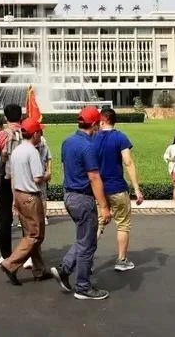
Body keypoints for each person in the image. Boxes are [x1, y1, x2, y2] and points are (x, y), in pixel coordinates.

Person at [51, 106, 112, 301]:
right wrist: (104, 207)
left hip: (69, 195)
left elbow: (63, 167)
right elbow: (94, 177)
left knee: (83, 238)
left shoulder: (67, 142)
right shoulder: (88, 147)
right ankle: (83, 287)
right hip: (82, 198)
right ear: (94, 124)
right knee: (88, 244)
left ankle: (65, 268)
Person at [0, 118, 53, 285]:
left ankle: (39, 270)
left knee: (30, 232)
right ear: (35, 133)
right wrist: (48, 175)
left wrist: (14, 199)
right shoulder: (32, 152)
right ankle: (10, 263)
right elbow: (38, 178)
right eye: (40, 132)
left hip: (19, 194)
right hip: (31, 196)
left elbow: (13, 176)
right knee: (35, 235)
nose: (41, 135)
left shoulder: (17, 151)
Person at [94, 108, 144, 272]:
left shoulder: (93, 138)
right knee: (122, 225)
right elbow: (128, 162)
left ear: (102, 120)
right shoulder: (120, 137)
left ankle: (87, 259)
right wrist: (136, 188)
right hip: (117, 187)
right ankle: (121, 260)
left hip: (99, 189)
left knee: (98, 224)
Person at [0, 103, 23, 264]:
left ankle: (5, 255)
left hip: (4, 181)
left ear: (5, 118)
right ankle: (28, 255)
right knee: (25, 219)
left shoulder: (0, 136)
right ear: (21, 116)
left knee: (4, 219)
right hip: (23, 182)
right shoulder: (26, 133)